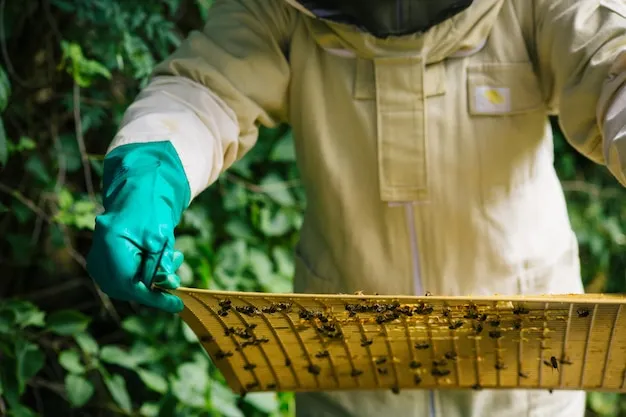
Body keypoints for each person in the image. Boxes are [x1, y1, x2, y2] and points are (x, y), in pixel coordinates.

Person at [85, 0, 626, 416]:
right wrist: (153, 166)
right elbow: (205, 88)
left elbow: (614, 58)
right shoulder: (281, 12)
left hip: (528, 371)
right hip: (345, 372)